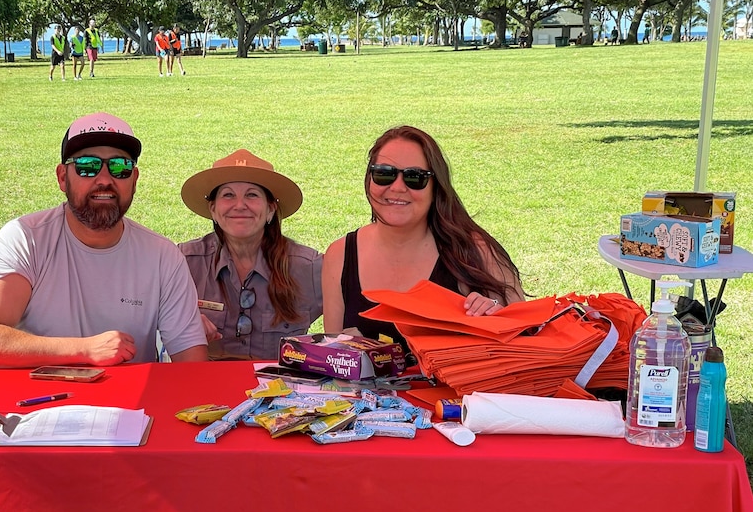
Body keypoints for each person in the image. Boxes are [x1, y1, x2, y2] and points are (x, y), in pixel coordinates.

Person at [0, 112, 208, 366]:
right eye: (87, 166)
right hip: (41, 403)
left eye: (120, 167)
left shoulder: (162, 256)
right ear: (62, 177)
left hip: (131, 405)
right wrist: (84, 350)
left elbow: (192, 363)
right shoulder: (26, 238)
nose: (104, 180)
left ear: (134, 180)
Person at [322, 125, 523, 347]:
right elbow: (332, 362)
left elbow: (528, 338)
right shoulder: (340, 255)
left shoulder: (474, 251)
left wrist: (495, 317)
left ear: (436, 187)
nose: (397, 187)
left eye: (414, 177)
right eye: (384, 174)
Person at [179, 149, 322, 360]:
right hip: (206, 387)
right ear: (213, 209)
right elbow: (141, 313)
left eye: (252, 195)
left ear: (271, 209)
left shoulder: (308, 268)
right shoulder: (183, 262)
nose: (239, 205)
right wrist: (181, 322)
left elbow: (356, 315)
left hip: (279, 390)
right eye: (228, 195)